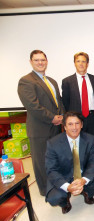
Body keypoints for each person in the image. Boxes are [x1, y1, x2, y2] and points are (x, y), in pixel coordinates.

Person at [17, 50, 64, 196]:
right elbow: (32, 106)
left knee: (54, 159)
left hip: (55, 128)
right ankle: (45, 190)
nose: (40, 63)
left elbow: (59, 101)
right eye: (37, 60)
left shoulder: (51, 81)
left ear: (47, 61)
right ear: (31, 62)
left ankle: (56, 184)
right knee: (41, 161)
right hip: (40, 129)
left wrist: (61, 116)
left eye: (43, 60)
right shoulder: (26, 81)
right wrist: (52, 118)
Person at [45, 112, 94, 214]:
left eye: (77, 123)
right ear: (65, 126)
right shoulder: (53, 143)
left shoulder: (89, 139)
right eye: (70, 124)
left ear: (82, 125)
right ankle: (65, 202)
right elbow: (51, 169)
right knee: (53, 198)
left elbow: (93, 161)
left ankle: (86, 193)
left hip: (82, 174)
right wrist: (67, 186)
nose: (74, 127)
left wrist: (83, 180)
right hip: (64, 176)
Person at [62, 52, 94, 141]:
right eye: (78, 61)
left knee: (92, 144)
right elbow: (65, 102)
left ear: (87, 64)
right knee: (77, 144)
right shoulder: (67, 81)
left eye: (83, 61)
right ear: (74, 63)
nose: (81, 64)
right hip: (76, 119)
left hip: (92, 118)